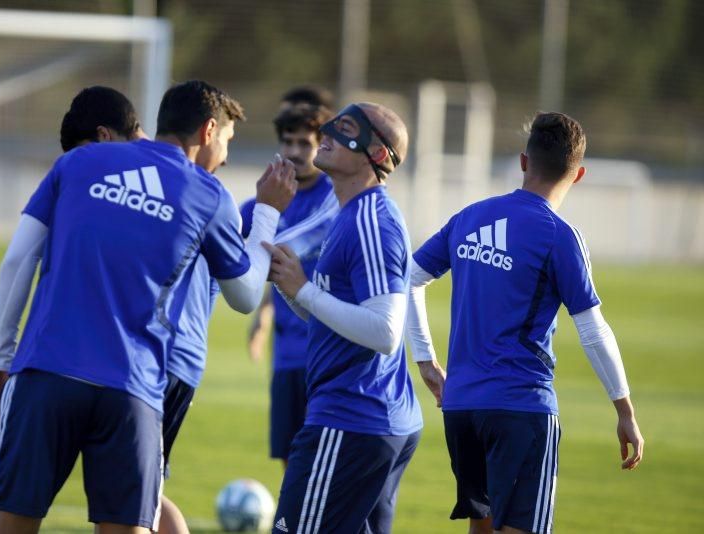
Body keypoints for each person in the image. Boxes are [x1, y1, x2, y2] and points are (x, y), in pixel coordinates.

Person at [0, 80, 297, 534]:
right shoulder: (209, 195)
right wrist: (267, 210)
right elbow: (245, 295)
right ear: (209, 130)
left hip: (46, 372)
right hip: (132, 390)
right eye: (227, 139)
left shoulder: (77, 162)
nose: (226, 154)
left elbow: (18, 259)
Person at [406, 112, 645, 534]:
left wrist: (425, 360)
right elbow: (592, 330)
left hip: (461, 408)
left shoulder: (470, 217)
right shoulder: (558, 234)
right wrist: (624, 410)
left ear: (523, 161)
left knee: (482, 529)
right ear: (580, 174)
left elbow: (409, 279)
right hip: (519, 406)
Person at [264, 102, 423, 533]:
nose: (329, 131)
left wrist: (305, 290)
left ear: (377, 154)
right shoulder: (347, 212)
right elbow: (334, 314)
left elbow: (386, 332)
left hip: (353, 418)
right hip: (368, 419)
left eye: (346, 127)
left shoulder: (371, 219)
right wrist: (291, 287)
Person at [57, 85, 192, 534]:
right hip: (141, 365)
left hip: (148, 365)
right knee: (143, 495)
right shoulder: (177, 175)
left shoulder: (177, 178)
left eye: (81, 153)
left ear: (101, 136)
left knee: (139, 497)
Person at [242, 100, 337, 468]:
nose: (294, 152)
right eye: (288, 142)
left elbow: (282, 253)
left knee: (326, 464)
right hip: (286, 357)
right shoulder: (267, 200)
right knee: (292, 461)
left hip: (326, 350)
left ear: (322, 145)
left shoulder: (335, 197)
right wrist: (264, 313)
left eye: (304, 143)